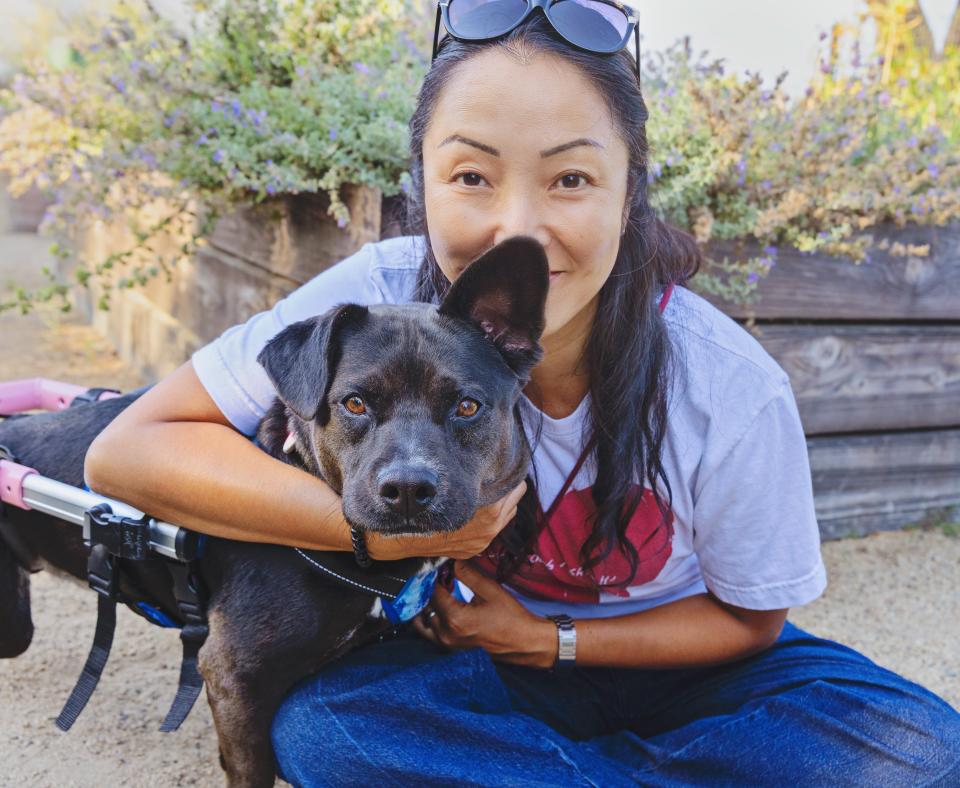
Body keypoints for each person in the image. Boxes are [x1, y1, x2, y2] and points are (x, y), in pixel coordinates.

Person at [85, 6, 960, 786]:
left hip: (681, 664)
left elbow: (753, 623)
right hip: (467, 668)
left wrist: (549, 640)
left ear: (630, 193)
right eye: (471, 176)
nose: (519, 228)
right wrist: (368, 532)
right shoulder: (379, 300)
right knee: (329, 735)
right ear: (420, 183)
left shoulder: (726, 384)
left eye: (570, 179)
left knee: (924, 751)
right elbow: (125, 452)